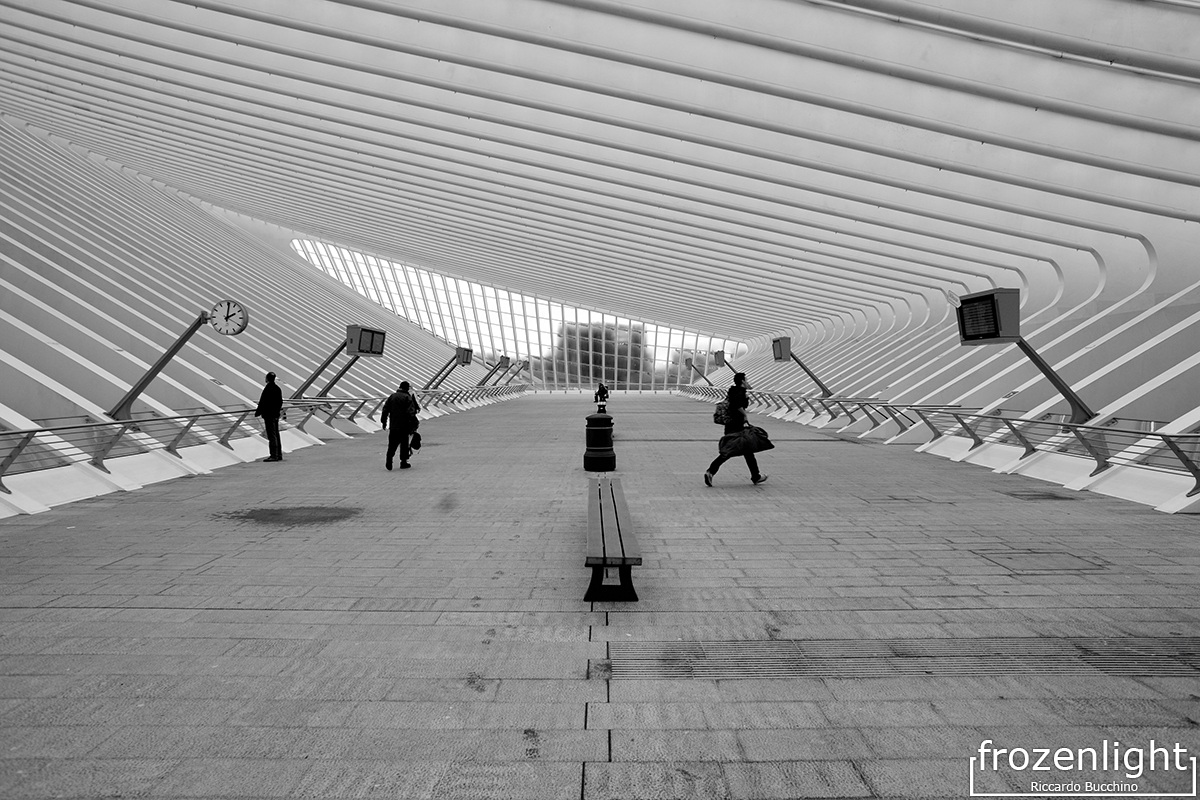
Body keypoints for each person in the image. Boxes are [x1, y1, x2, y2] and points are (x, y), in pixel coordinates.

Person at [704, 372, 767, 486]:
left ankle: (756, 476)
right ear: (742, 381)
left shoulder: (733, 391)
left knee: (747, 450)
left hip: (730, 425)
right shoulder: (739, 392)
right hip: (737, 425)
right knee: (730, 450)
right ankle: (711, 471)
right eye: (746, 380)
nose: (747, 382)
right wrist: (745, 415)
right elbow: (737, 405)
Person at [381, 381, 421, 470]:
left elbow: (385, 409)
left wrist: (384, 421)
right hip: (404, 425)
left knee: (392, 444)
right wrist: (414, 424)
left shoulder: (392, 396)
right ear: (407, 388)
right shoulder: (407, 397)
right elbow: (411, 412)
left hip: (394, 424)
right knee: (404, 444)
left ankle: (389, 460)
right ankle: (403, 462)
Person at [254, 371, 284, 462]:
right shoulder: (277, 388)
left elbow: (263, 401)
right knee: (276, 434)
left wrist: (258, 412)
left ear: (267, 379)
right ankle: (278, 454)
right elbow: (280, 402)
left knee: (271, 435)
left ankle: (273, 455)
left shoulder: (268, 388)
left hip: (269, 415)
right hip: (275, 414)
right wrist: (277, 412)